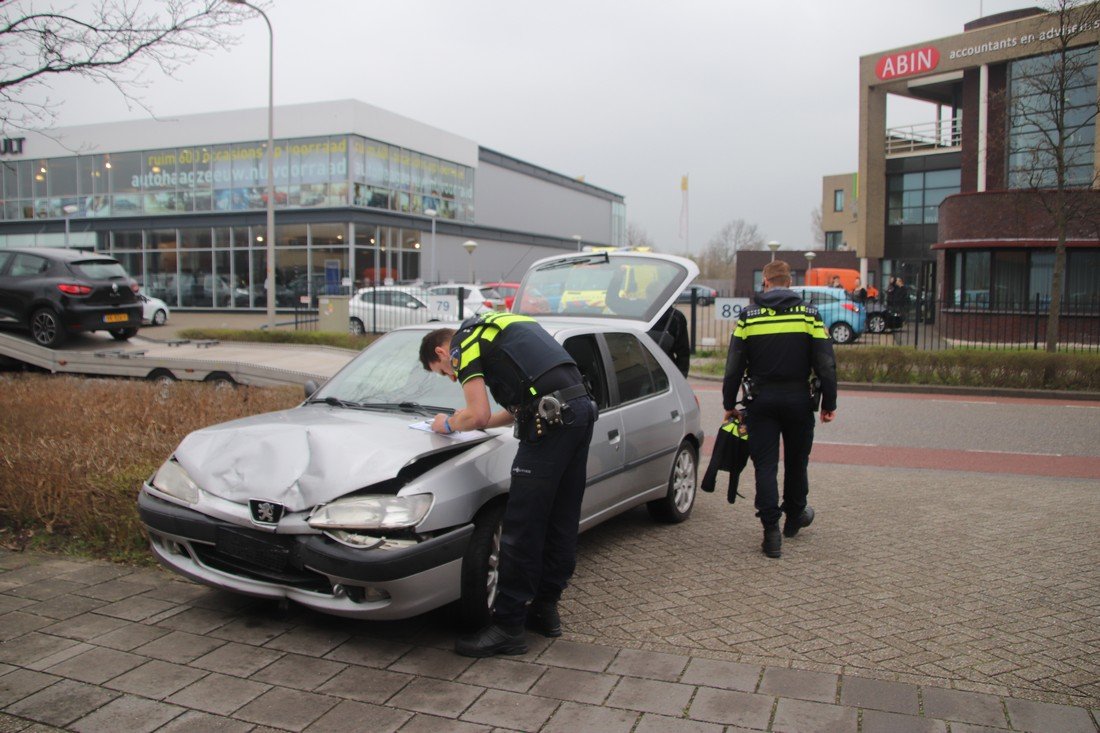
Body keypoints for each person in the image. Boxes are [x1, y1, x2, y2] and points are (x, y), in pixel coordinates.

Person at [419, 312, 596, 657]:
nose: (452, 375)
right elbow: (517, 407)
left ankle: (508, 626)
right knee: (561, 519)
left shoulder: (463, 343)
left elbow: (477, 414)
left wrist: (448, 424)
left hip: (551, 422)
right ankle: (545, 610)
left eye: (444, 372)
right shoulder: (503, 325)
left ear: (442, 353)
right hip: (578, 410)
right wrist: (476, 423)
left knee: (520, 526)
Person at [722, 260, 837, 559]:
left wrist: (727, 404)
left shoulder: (749, 317)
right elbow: (825, 362)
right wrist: (829, 403)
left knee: (766, 466)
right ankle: (795, 516)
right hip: (799, 400)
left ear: (766, 283)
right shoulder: (809, 314)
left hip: (761, 402)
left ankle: (771, 534)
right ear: (789, 282)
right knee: (797, 462)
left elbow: (733, 366)